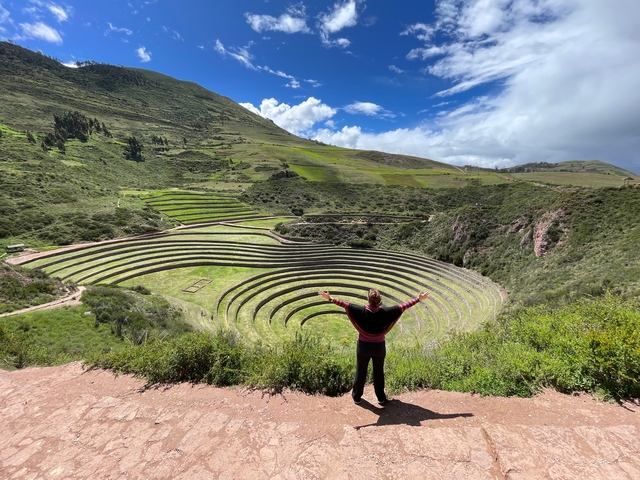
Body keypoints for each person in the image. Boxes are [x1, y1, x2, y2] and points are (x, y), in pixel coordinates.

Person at [318, 288, 429, 405]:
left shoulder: (360, 311)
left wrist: (330, 298)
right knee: (378, 372)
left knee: (361, 371)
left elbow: (345, 305)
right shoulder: (386, 312)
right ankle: (381, 398)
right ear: (380, 300)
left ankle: (357, 397)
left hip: (363, 347)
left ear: (368, 299)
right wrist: (418, 299)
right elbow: (403, 306)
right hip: (379, 347)